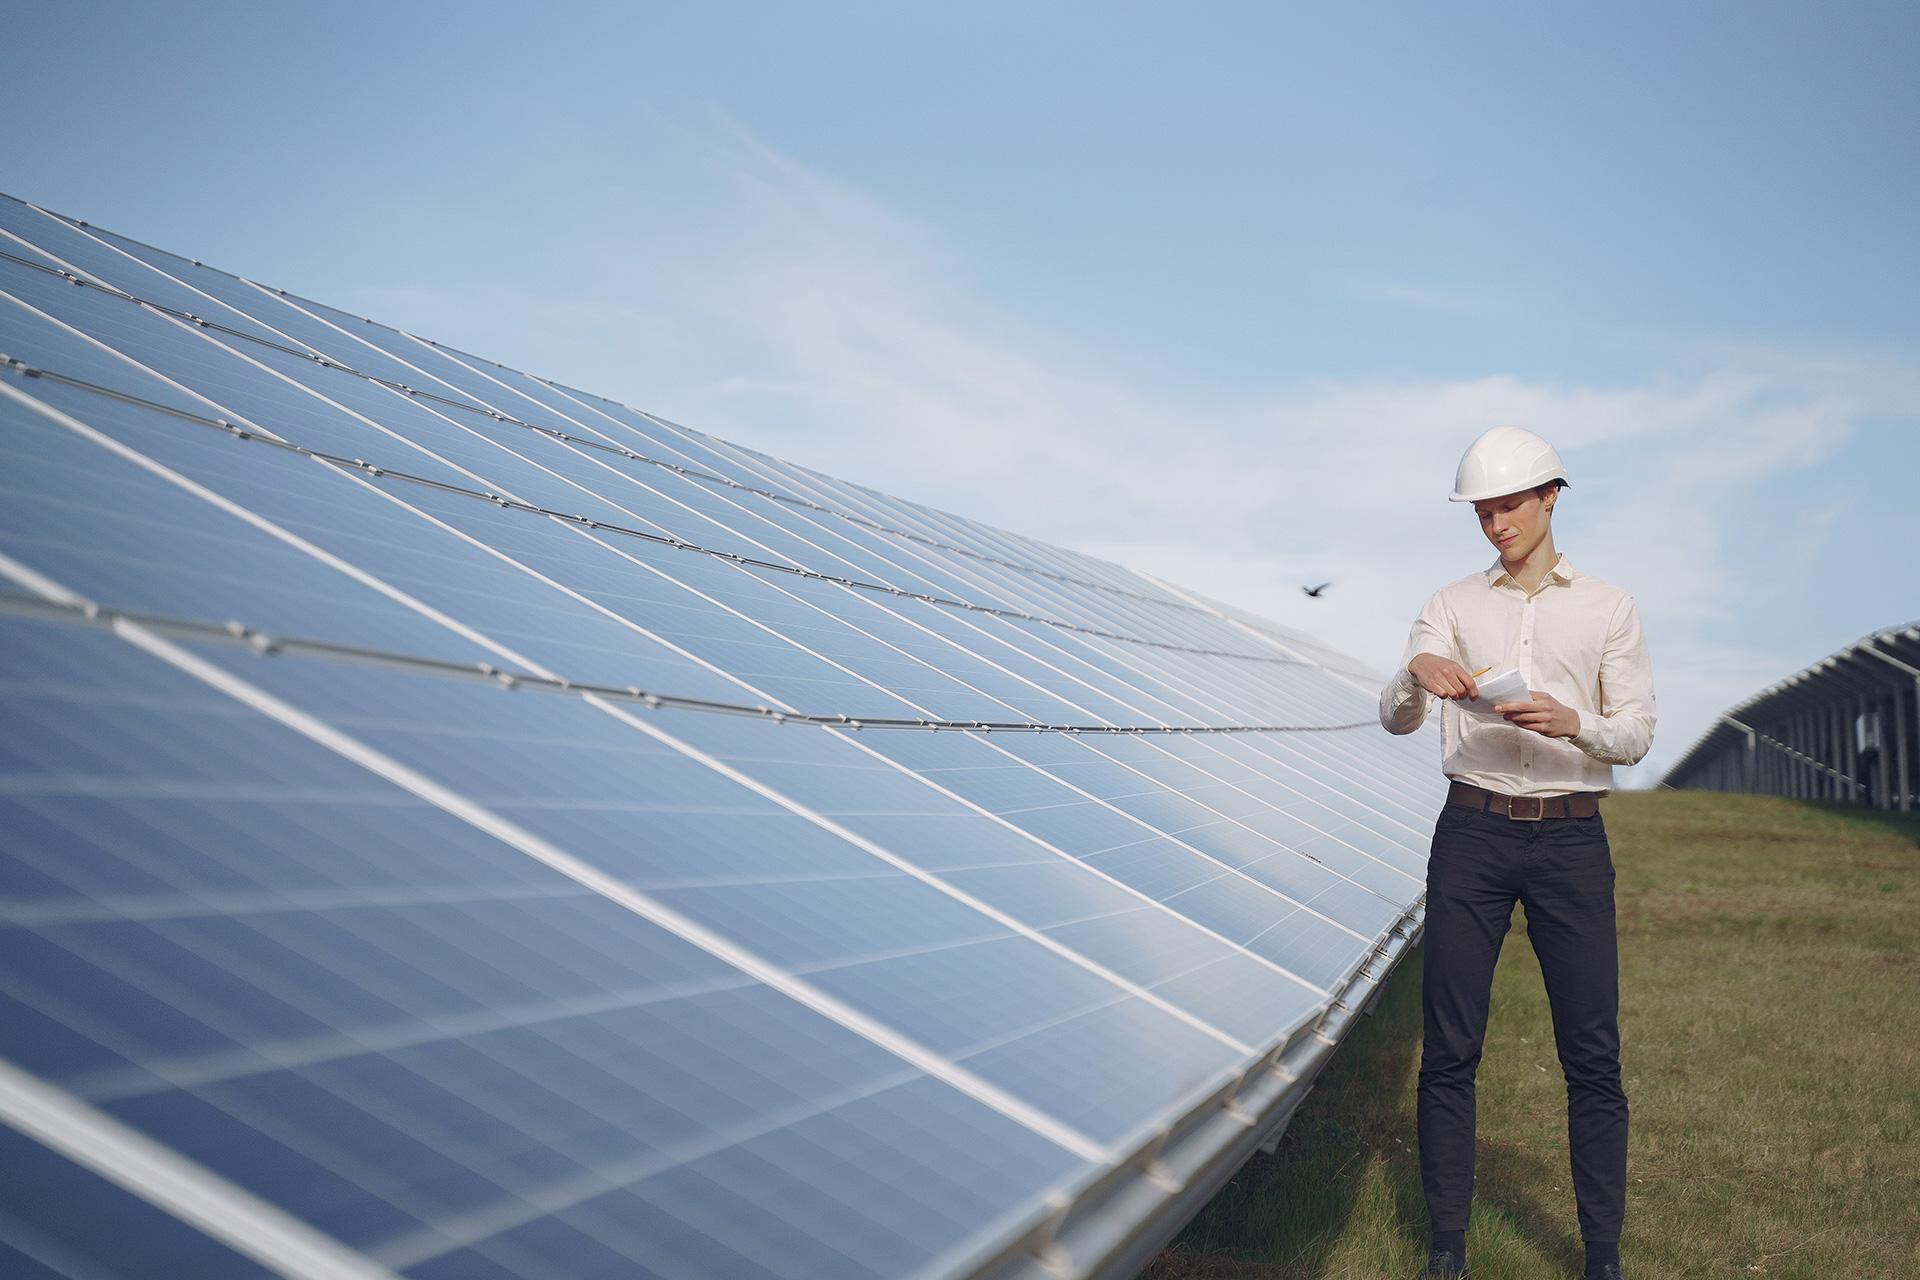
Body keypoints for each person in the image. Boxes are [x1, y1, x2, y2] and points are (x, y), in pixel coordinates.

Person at [1379, 426, 1656, 1280]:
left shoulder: (1607, 606)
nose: (1494, 522)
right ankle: (1447, 1249)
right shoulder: (1451, 605)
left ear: (1550, 498)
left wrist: (1575, 722)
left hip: (1572, 838)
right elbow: (1395, 716)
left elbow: (1637, 734)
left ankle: (1601, 1258)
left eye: (1507, 505)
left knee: (1591, 1052)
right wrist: (1414, 673)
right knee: (1451, 1045)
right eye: (1481, 510)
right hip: (1470, 835)